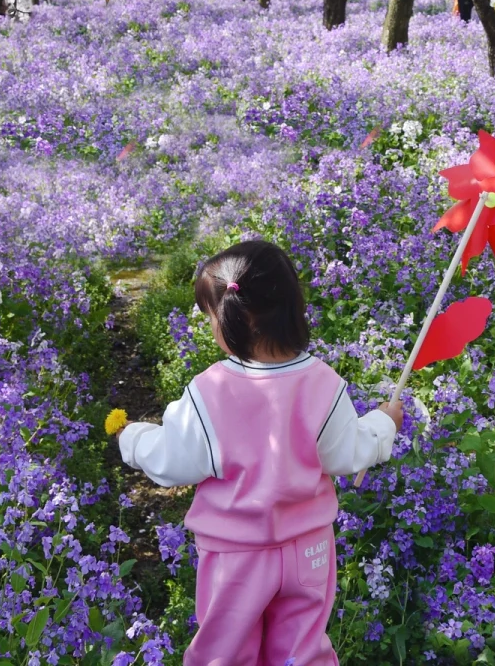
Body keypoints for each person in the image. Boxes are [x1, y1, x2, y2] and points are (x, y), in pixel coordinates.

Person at [116, 239, 403, 666]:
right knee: (302, 653)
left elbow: (172, 461)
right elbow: (348, 453)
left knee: (226, 654)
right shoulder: (323, 382)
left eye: (212, 318)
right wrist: (385, 422)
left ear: (232, 320)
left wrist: (133, 438)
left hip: (238, 557)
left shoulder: (210, 391)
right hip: (310, 551)